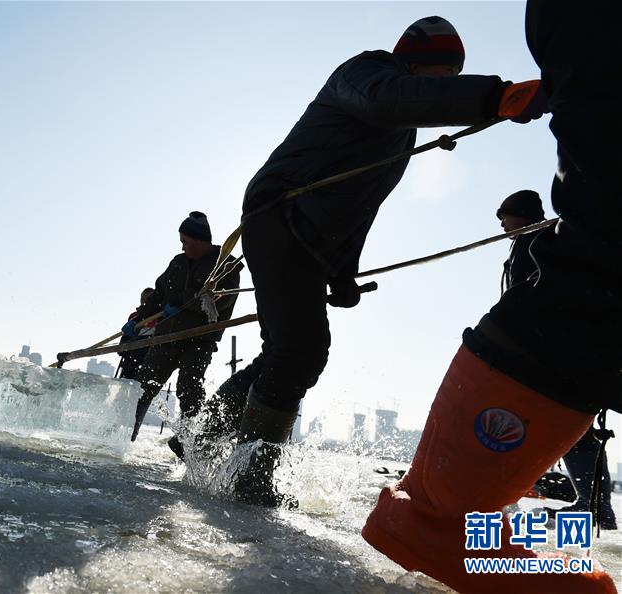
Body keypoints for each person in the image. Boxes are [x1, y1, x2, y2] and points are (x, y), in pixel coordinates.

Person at [201, 16, 545, 508]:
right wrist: (493, 97)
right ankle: (250, 476)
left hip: (308, 237)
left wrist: (343, 273)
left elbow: (362, 205)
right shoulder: (368, 73)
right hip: (279, 214)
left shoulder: (400, 132)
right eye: (444, 78)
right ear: (419, 63)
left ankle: (209, 433)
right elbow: (392, 98)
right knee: (301, 350)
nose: (444, 90)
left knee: (286, 348)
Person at [363, 2, 620, 592]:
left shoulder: (530, 241)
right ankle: (444, 513)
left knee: (600, 269)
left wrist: (487, 98)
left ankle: (445, 512)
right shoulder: (369, 76)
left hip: (565, 347)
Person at [497, 190, 616, 531]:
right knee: (567, 428)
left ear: (521, 214)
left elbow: (528, 294)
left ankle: (594, 507)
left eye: (504, 213)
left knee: (536, 424)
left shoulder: (534, 241)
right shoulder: (532, 242)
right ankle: (595, 505)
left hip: (542, 352)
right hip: (553, 348)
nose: (501, 221)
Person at [128, 211, 241, 443]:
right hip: (167, 336)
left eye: (186, 243)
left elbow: (221, 298)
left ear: (201, 242)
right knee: (143, 386)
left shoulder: (225, 264)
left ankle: (189, 444)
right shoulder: (178, 263)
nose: (183, 248)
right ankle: (126, 434)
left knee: (189, 390)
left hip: (199, 339)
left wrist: (185, 302)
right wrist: (138, 320)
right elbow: (159, 295)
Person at [117, 288, 157, 380]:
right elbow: (122, 348)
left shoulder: (161, 318)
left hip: (150, 363)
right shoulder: (134, 318)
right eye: (143, 300)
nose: (145, 302)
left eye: (148, 300)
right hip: (131, 363)